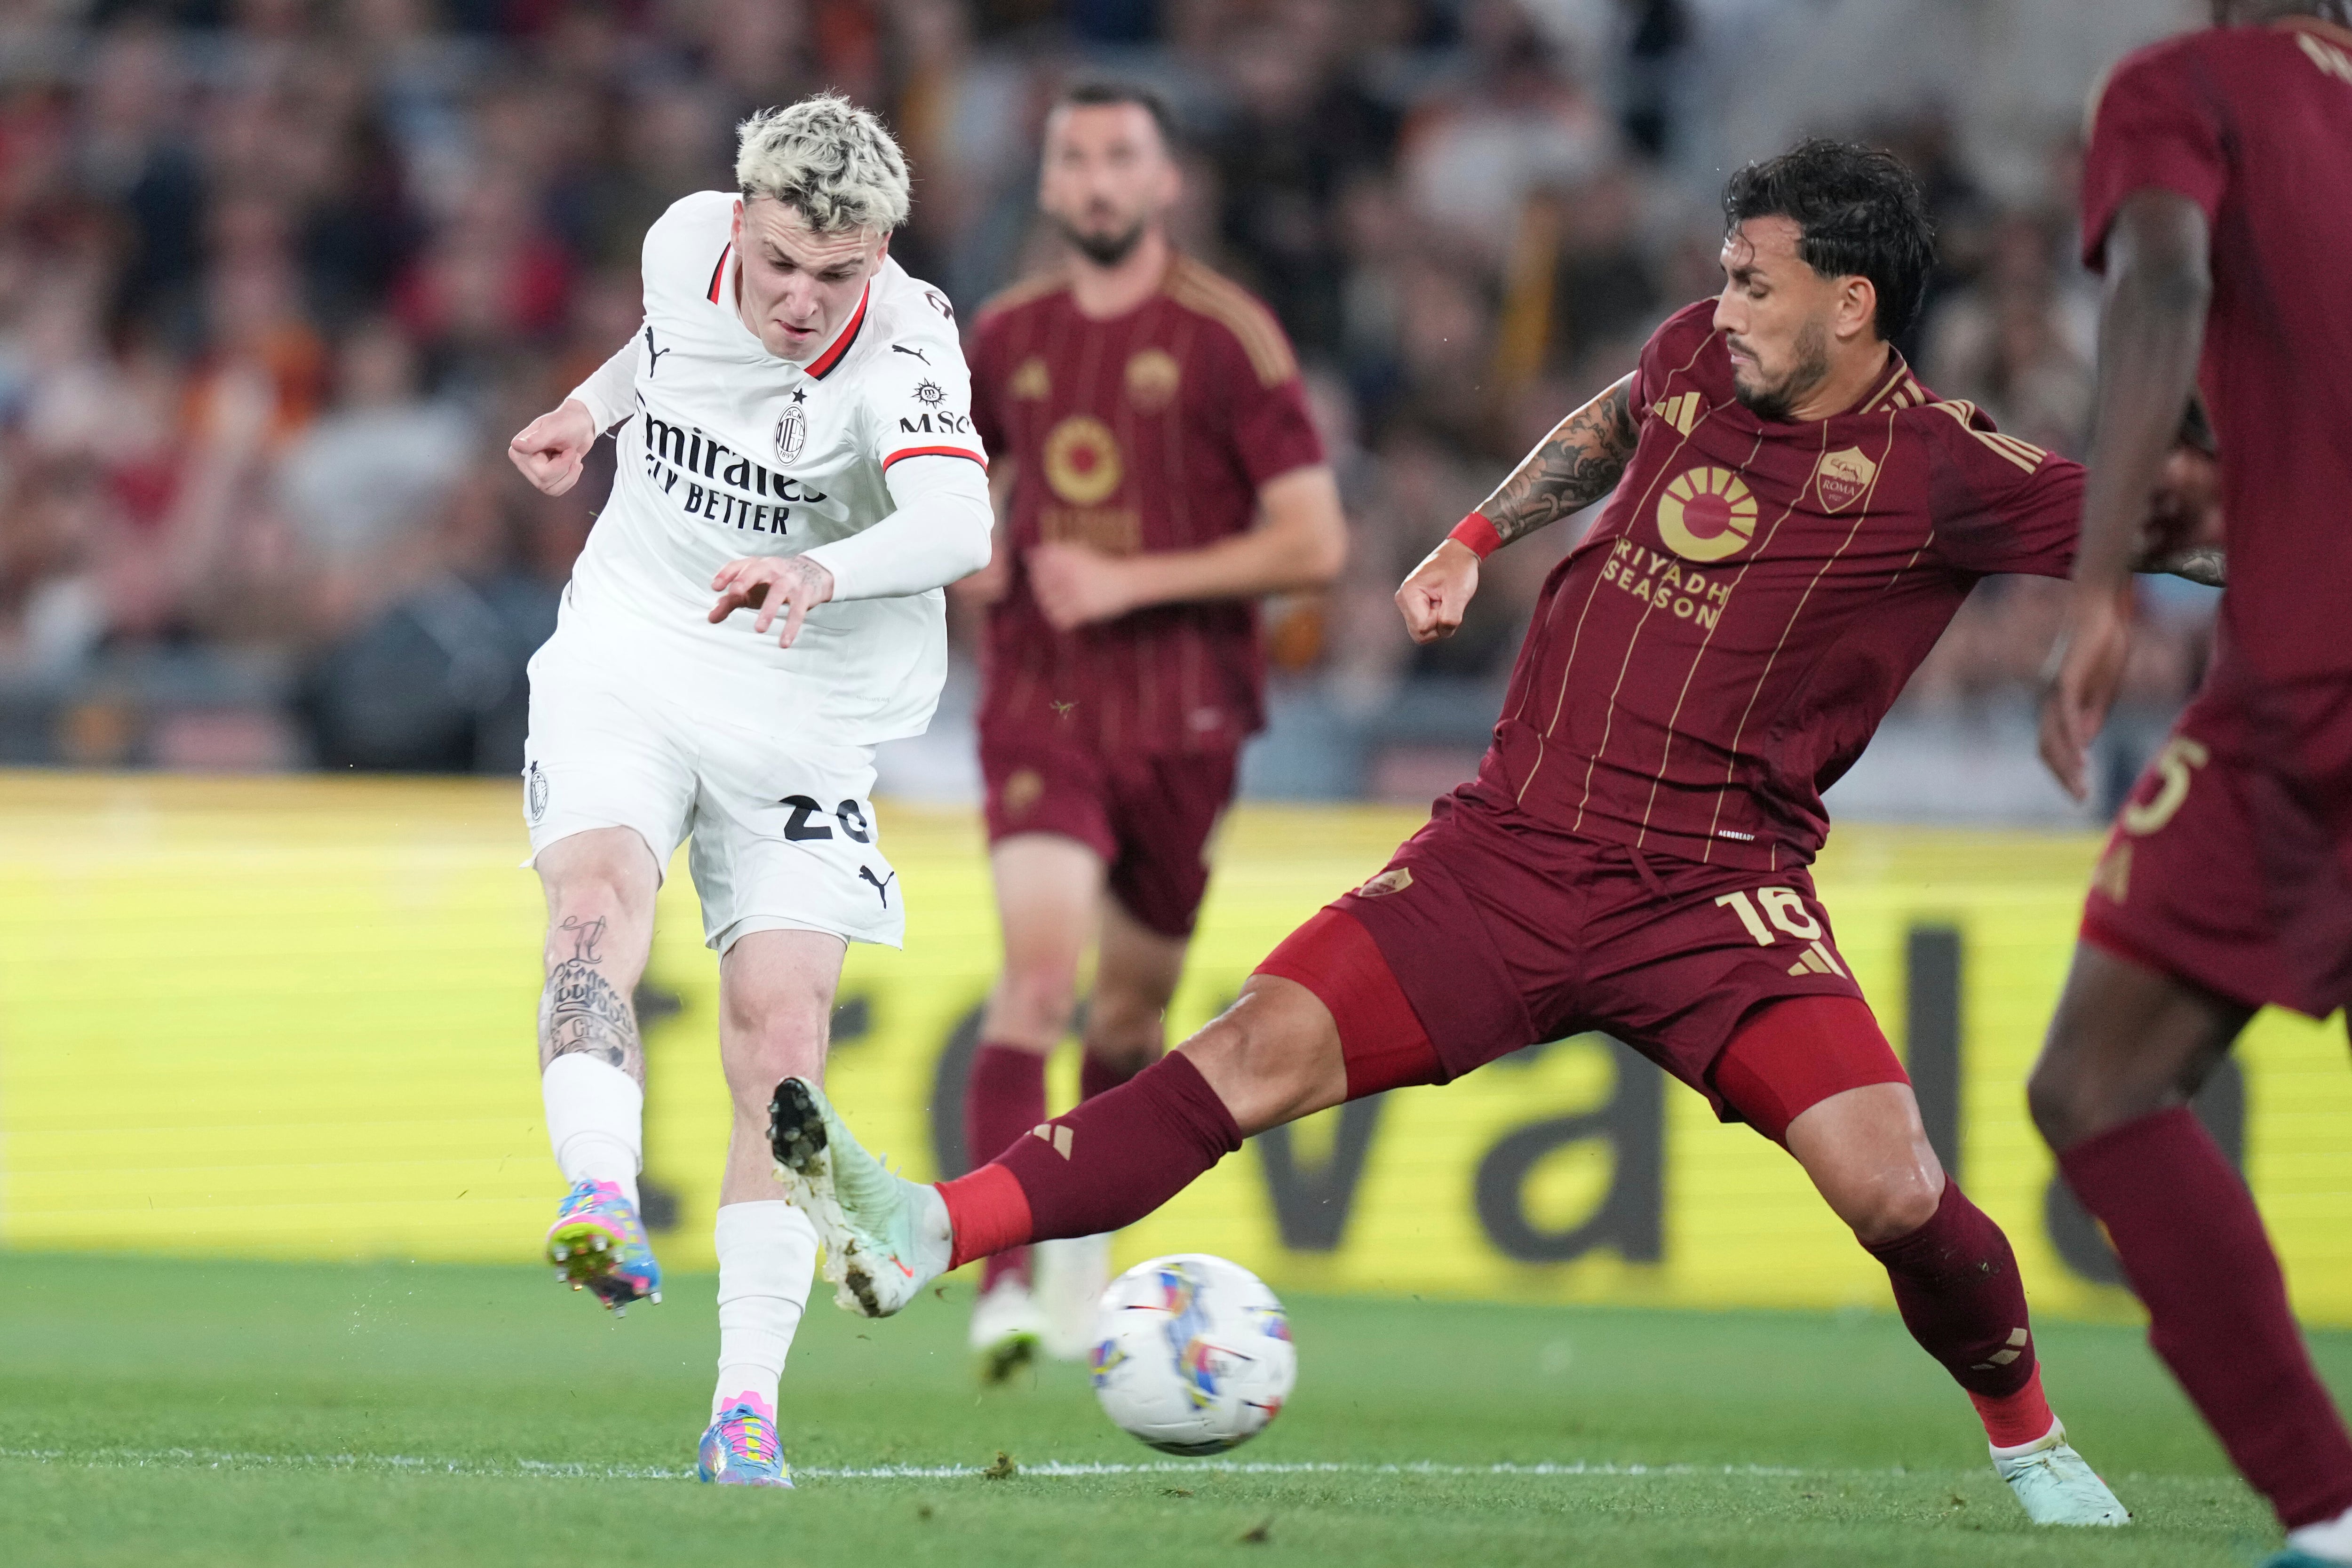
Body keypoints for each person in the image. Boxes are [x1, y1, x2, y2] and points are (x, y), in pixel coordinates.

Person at [769, 138, 2212, 1525]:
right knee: (1243, 1054)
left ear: (1854, 302)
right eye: (1722, 275)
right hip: (1505, 854)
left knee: (1894, 1188)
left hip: (1713, 902)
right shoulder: (1700, 359)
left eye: (1754, 284)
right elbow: (1615, 419)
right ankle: (925, 1230)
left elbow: (2173, 526)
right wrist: (1473, 536)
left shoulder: (1946, 471)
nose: (1723, 309)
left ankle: (2031, 1444)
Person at [504, 95, 991, 1488]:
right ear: (739, 222)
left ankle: (744, 1412)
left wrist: (823, 569)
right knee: (596, 893)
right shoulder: (680, 242)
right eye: (779, 263)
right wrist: (587, 414)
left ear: (880, 253)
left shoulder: (909, 346)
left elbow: (961, 520)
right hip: (635, 648)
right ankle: (600, 1187)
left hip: (806, 708)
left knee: (781, 1042)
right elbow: (666, 347)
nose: (798, 299)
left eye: (836, 275)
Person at [2026, 6, 2352, 1565]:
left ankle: (2331, 1511)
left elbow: (2167, 274)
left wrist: (2102, 588)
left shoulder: (2183, 89)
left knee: (2098, 1086)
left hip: (2320, 681)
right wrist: (2250, 468)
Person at [953, 80, 1344, 1378]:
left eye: (1124, 157)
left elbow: (1316, 540)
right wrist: (969, 564)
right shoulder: (1003, 339)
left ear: (1166, 181)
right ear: (1053, 186)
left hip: (1185, 713)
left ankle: (1073, 1252)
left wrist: (1131, 579)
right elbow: (933, 496)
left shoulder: (1231, 340)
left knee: (1129, 1015)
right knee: (1038, 978)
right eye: (1077, 160)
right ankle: (1000, 1286)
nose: (1101, 180)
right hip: (1044, 704)